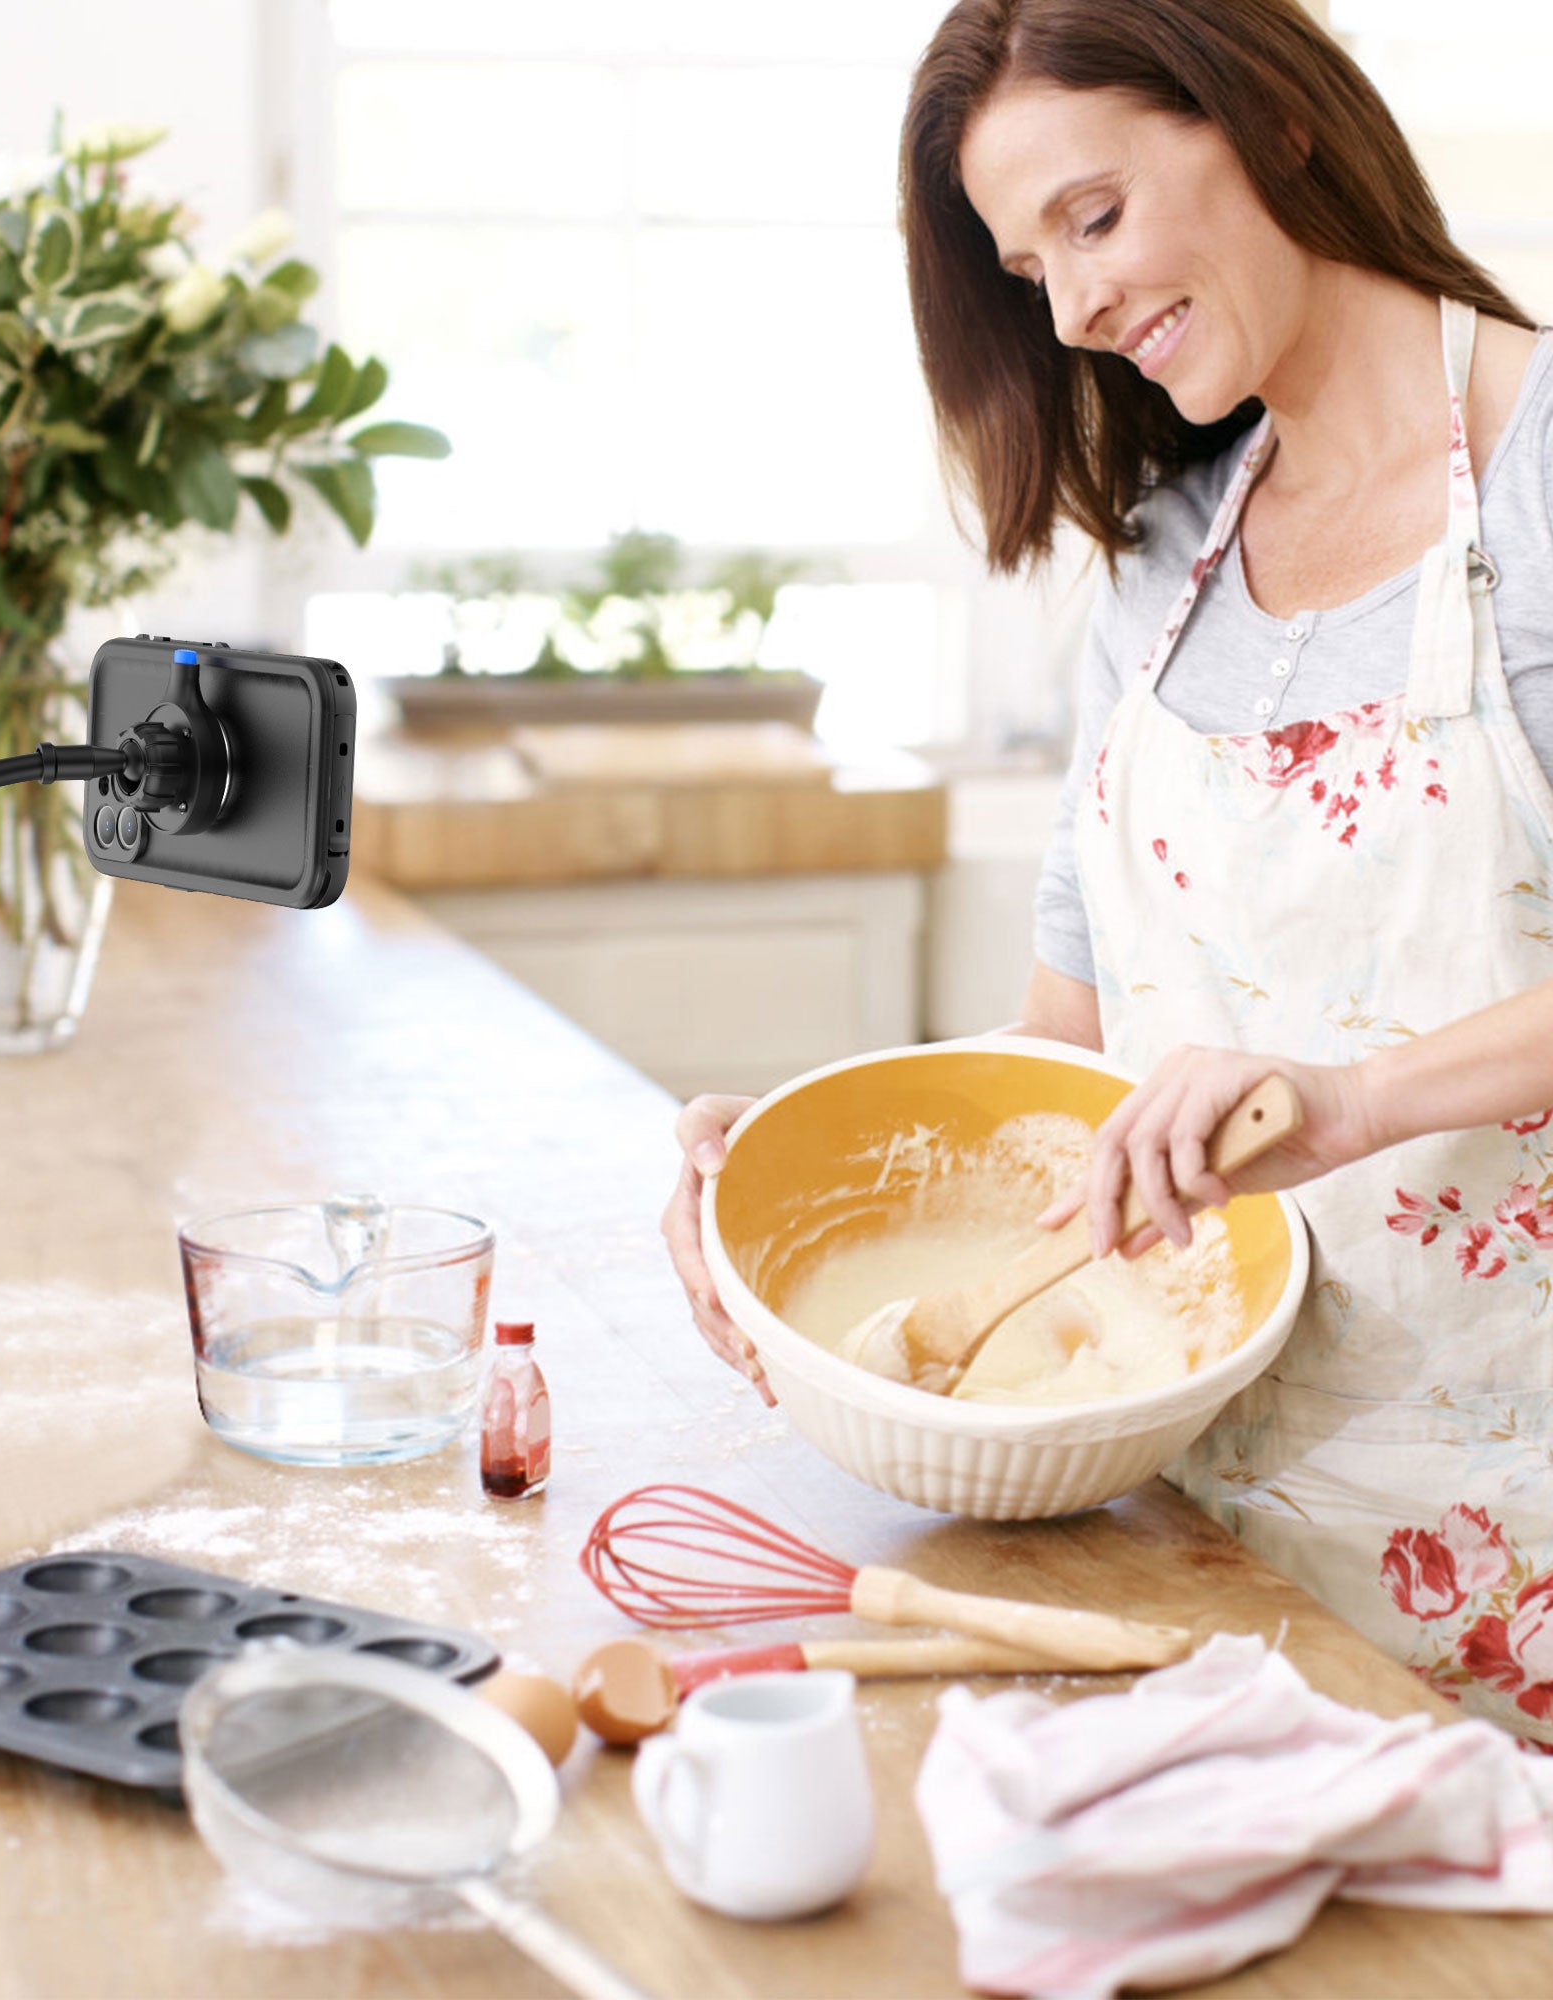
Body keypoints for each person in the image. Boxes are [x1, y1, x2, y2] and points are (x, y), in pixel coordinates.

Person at [661, 0, 1553, 1740]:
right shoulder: (1161, 566)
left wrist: (1356, 1098)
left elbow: (1341, 1091)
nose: (1069, 309)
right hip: (1198, 1566)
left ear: (1272, 119)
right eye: (1026, 261)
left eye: (1094, 216)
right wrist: (776, 1170)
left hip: (1522, 1564)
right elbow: (1069, 1053)